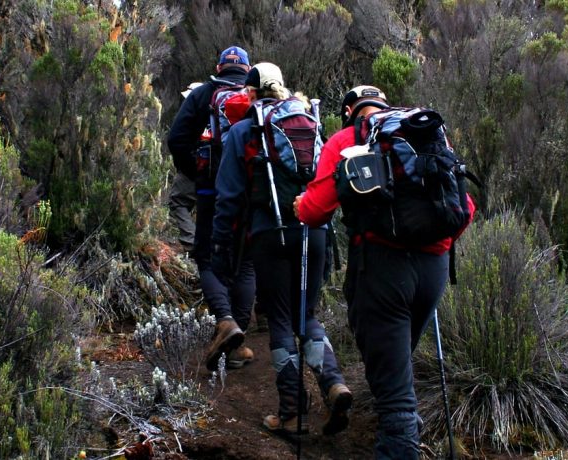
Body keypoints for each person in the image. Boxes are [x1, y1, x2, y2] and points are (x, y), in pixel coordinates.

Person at [294, 86, 476, 458]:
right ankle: (404, 428)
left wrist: (299, 206)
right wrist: (435, 245)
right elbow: (465, 208)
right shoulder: (426, 134)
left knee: (393, 394)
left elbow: (315, 211)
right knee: (395, 366)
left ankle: (400, 440)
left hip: (381, 270)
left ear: (350, 112)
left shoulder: (347, 140)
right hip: (434, 271)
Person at [212, 62, 352, 436]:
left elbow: (227, 197)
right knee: (307, 314)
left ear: (252, 92)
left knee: (281, 320)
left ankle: (291, 412)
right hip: (314, 229)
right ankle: (333, 383)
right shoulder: (307, 122)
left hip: (270, 233)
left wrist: (222, 245)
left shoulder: (245, 130)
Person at [167, 46, 257, 370]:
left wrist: (197, 172)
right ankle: (236, 344)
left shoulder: (204, 94)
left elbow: (177, 139)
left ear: (218, 67)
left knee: (206, 256)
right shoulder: (256, 95)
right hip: (252, 193)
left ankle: (225, 320)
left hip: (211, 190)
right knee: (245, 264)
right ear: (247, 69)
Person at [166, 82, 204, 252]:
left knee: (177, 201)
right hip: (215, 171)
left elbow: (177, 141)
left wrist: (187, 167)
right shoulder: (215, 114)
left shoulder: (192, 117)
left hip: (193, 169)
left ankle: (191, 241)